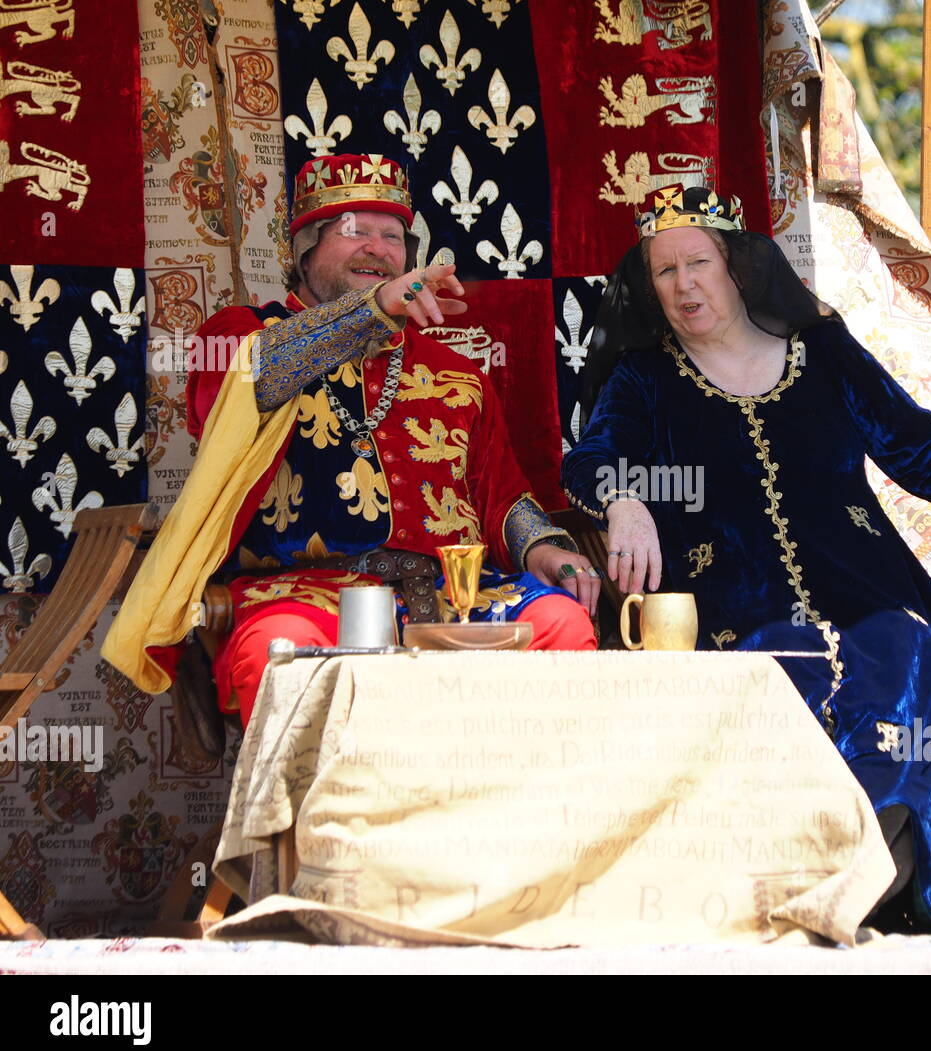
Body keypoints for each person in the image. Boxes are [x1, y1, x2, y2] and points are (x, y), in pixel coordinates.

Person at [561, 184, 931, 934]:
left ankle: (867, 883)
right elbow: (592, 458)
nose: (682, 286)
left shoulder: (824, 353)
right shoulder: (645, 378)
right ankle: (808, 892)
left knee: (900, 650)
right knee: (783, 661)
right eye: (663, 271)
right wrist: (625, 497)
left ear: (738, 264)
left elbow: (921, 445)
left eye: (697, 262)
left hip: (869, 587)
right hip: (733, 608)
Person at [106, 153, 598, 724]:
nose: (377, 247)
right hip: (301, 595)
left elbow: (501, 495)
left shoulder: (456, 373)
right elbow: (246, 387)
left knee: (562, 623)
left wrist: (544, 546)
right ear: (305, 249)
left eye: (392, 235)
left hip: (451, 597)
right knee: (282, 654)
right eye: (353, 230)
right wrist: (373, 311)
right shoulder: (241, 335)